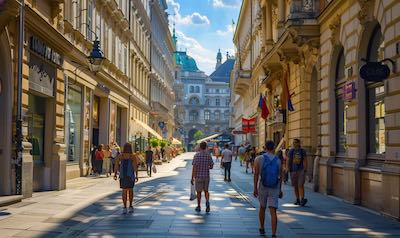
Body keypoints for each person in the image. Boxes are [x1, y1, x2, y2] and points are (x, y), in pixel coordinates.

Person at [253, 140, 283, 237]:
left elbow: (256, 174)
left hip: (263, 186)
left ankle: (262, 228)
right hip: (274, 187)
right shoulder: (278, 160)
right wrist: (280, 189)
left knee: (262, 207)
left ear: (265, 147)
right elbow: (280, 176)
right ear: (274, 148)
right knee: (273, 211)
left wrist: (255, 188)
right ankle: (274, 234)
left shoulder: (258, 159)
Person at [114, 143, 139, 214]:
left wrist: (115, 174)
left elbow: (116, 165)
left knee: (124, 191)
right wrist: (136, 175)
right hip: (130, 176)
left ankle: (125, 205)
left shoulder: (120, 156)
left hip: (122, 176)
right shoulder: (132, 156)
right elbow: (135, 167)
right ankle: (130, 204)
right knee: (130, 190)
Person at [191, 141, 214, 213]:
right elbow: (211, 166)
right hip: (206, 176)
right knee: (206, 191)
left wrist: (192, 177)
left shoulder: (196, 155)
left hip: (198, 176)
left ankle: (199, 206)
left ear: (200, 147)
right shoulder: (208, 155)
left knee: (199, 192)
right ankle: (207, 202)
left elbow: (194, 167)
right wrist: (207, 167)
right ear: (206, 147)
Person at [287, 138, 308, 206]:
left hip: (301, 170)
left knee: (300, 185)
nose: (294, 143)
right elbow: (288, 160)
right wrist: (288, 168)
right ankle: (297, 199)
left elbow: (305, 160)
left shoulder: (302, 151)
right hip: (293, 170)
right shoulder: (291, 151)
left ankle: (302, 199)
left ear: (299, 143)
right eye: (293, 142)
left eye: (295, 142)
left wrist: (305, 168)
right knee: (295, 186)